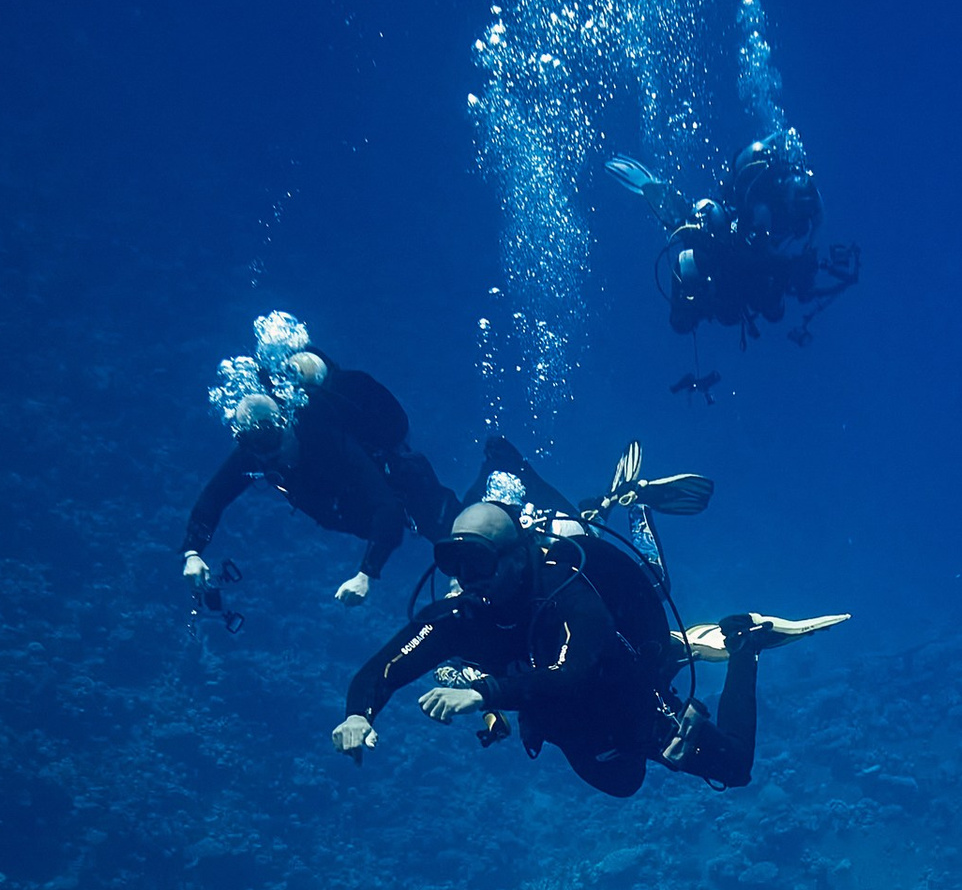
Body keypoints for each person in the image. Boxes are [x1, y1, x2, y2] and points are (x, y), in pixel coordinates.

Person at [329, 444, 842, 797]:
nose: (468, 581)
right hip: (574, 729)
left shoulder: (565, 592)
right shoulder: (463, 615)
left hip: (630, 702)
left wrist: (484, 693)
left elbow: (570, 673)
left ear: (517, 557)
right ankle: (666, 632)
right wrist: (359, 713)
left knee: (734, 768)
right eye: (454, 567)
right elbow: (385, 667)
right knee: (621, 783)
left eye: (479, 565)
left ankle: (743, 641)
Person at [182, 323, 458, 607]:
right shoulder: (254, 451)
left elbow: (386, 506)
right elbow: (213, 498)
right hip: (347, 511)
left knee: (427, 508)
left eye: (276, 447)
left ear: (287, 425)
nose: (273, 459)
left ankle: (464, 564)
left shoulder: (324, 436)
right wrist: (193, 552)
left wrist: (366, 574)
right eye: (263, 454)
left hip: (391, 492)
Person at [609, 133, 859, 345]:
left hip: (738, 265)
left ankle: (672, 208)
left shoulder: (802, 208)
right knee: (706, 236)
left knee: (735, 310)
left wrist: (804, 264)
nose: (799, 219)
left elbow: (805, 237)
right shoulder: (764, 207)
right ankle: (668, 202)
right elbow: (761, 253)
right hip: (729, 240)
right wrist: (791, 265)